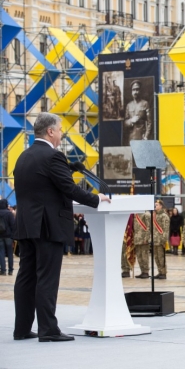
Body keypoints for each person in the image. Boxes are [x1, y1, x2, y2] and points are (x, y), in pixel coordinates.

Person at [13, 112, 110, 342]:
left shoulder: (23, 157)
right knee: (47, 277)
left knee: (26, 277)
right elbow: (69, 188)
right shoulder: (52, 157)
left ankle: (22, 329)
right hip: (47, 226)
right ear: (50, 131)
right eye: (59, 130)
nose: (60, 134)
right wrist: (97, 199)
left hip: (26, 225)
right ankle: (48, 330)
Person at [123, 80, 152, 146]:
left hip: (142, 137)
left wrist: (146, 137)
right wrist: (131, 121)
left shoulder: (145, 104)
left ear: (140, 91)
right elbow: (125, 123)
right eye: (133, 90)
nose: (135, 92)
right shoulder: (129, 105)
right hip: (131, 138)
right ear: (131, 92)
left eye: (137, 89)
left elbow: (149, 122)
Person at [147, 200, 170, 279]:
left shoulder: (164, 216)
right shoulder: (154, 215)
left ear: (161, 206)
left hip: (160, 240)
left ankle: (163, 273)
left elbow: (165, 229)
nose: (155, 206)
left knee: (161, 257)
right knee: (156, 257)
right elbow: (151, 229)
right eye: (155, 205)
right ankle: (160, 272)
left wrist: (164, 240)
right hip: (154, 240)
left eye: (156, 205)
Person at [0, 198, 15, 276]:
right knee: (10, 253)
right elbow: (13, 225)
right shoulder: (9, 213)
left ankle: (3, 270)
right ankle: (10, 270)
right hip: (8, 236)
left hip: (0, 236)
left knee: (1, 253)